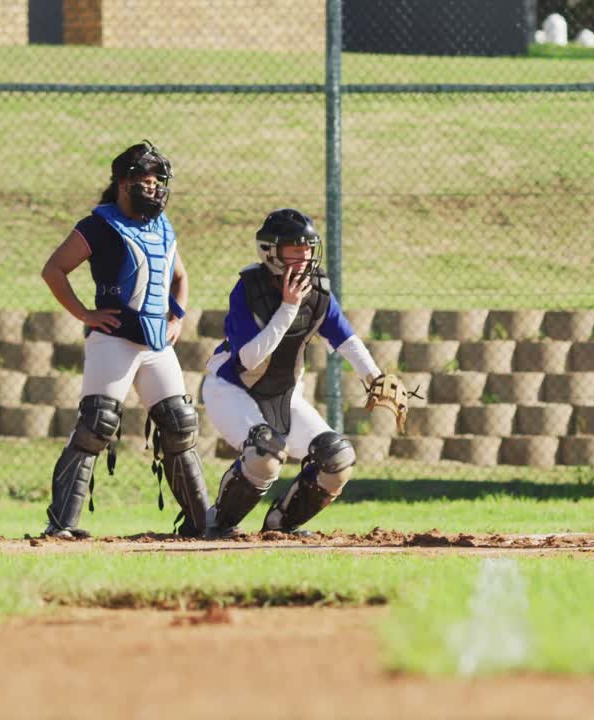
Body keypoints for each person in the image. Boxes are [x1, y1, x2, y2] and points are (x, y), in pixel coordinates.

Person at [39, 141, 209, 539]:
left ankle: (204, 522)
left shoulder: (163, 228)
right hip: (113, 339)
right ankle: (61, 524)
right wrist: (85, 314)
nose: (152, 188)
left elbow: (180, 277)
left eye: (157, 182)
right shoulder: (98, 225)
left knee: (180, 425)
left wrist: (177, 317)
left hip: (156, 345)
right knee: (96, 425)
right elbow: (54, 270)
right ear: (122, 183)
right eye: (143, 181)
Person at [201, 208, 390, 539]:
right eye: (294, 248)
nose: (304, 256)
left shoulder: (317, 292)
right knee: (265, 453)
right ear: (270, 251)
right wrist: (288, 307)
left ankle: (280, 526)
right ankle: (218, 522)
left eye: (308, 247)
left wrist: (375, 377)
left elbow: (344, 337)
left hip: (284, 395)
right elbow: (249, 358)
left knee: (337, 458)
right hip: (232, 390)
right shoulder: (248, 290)